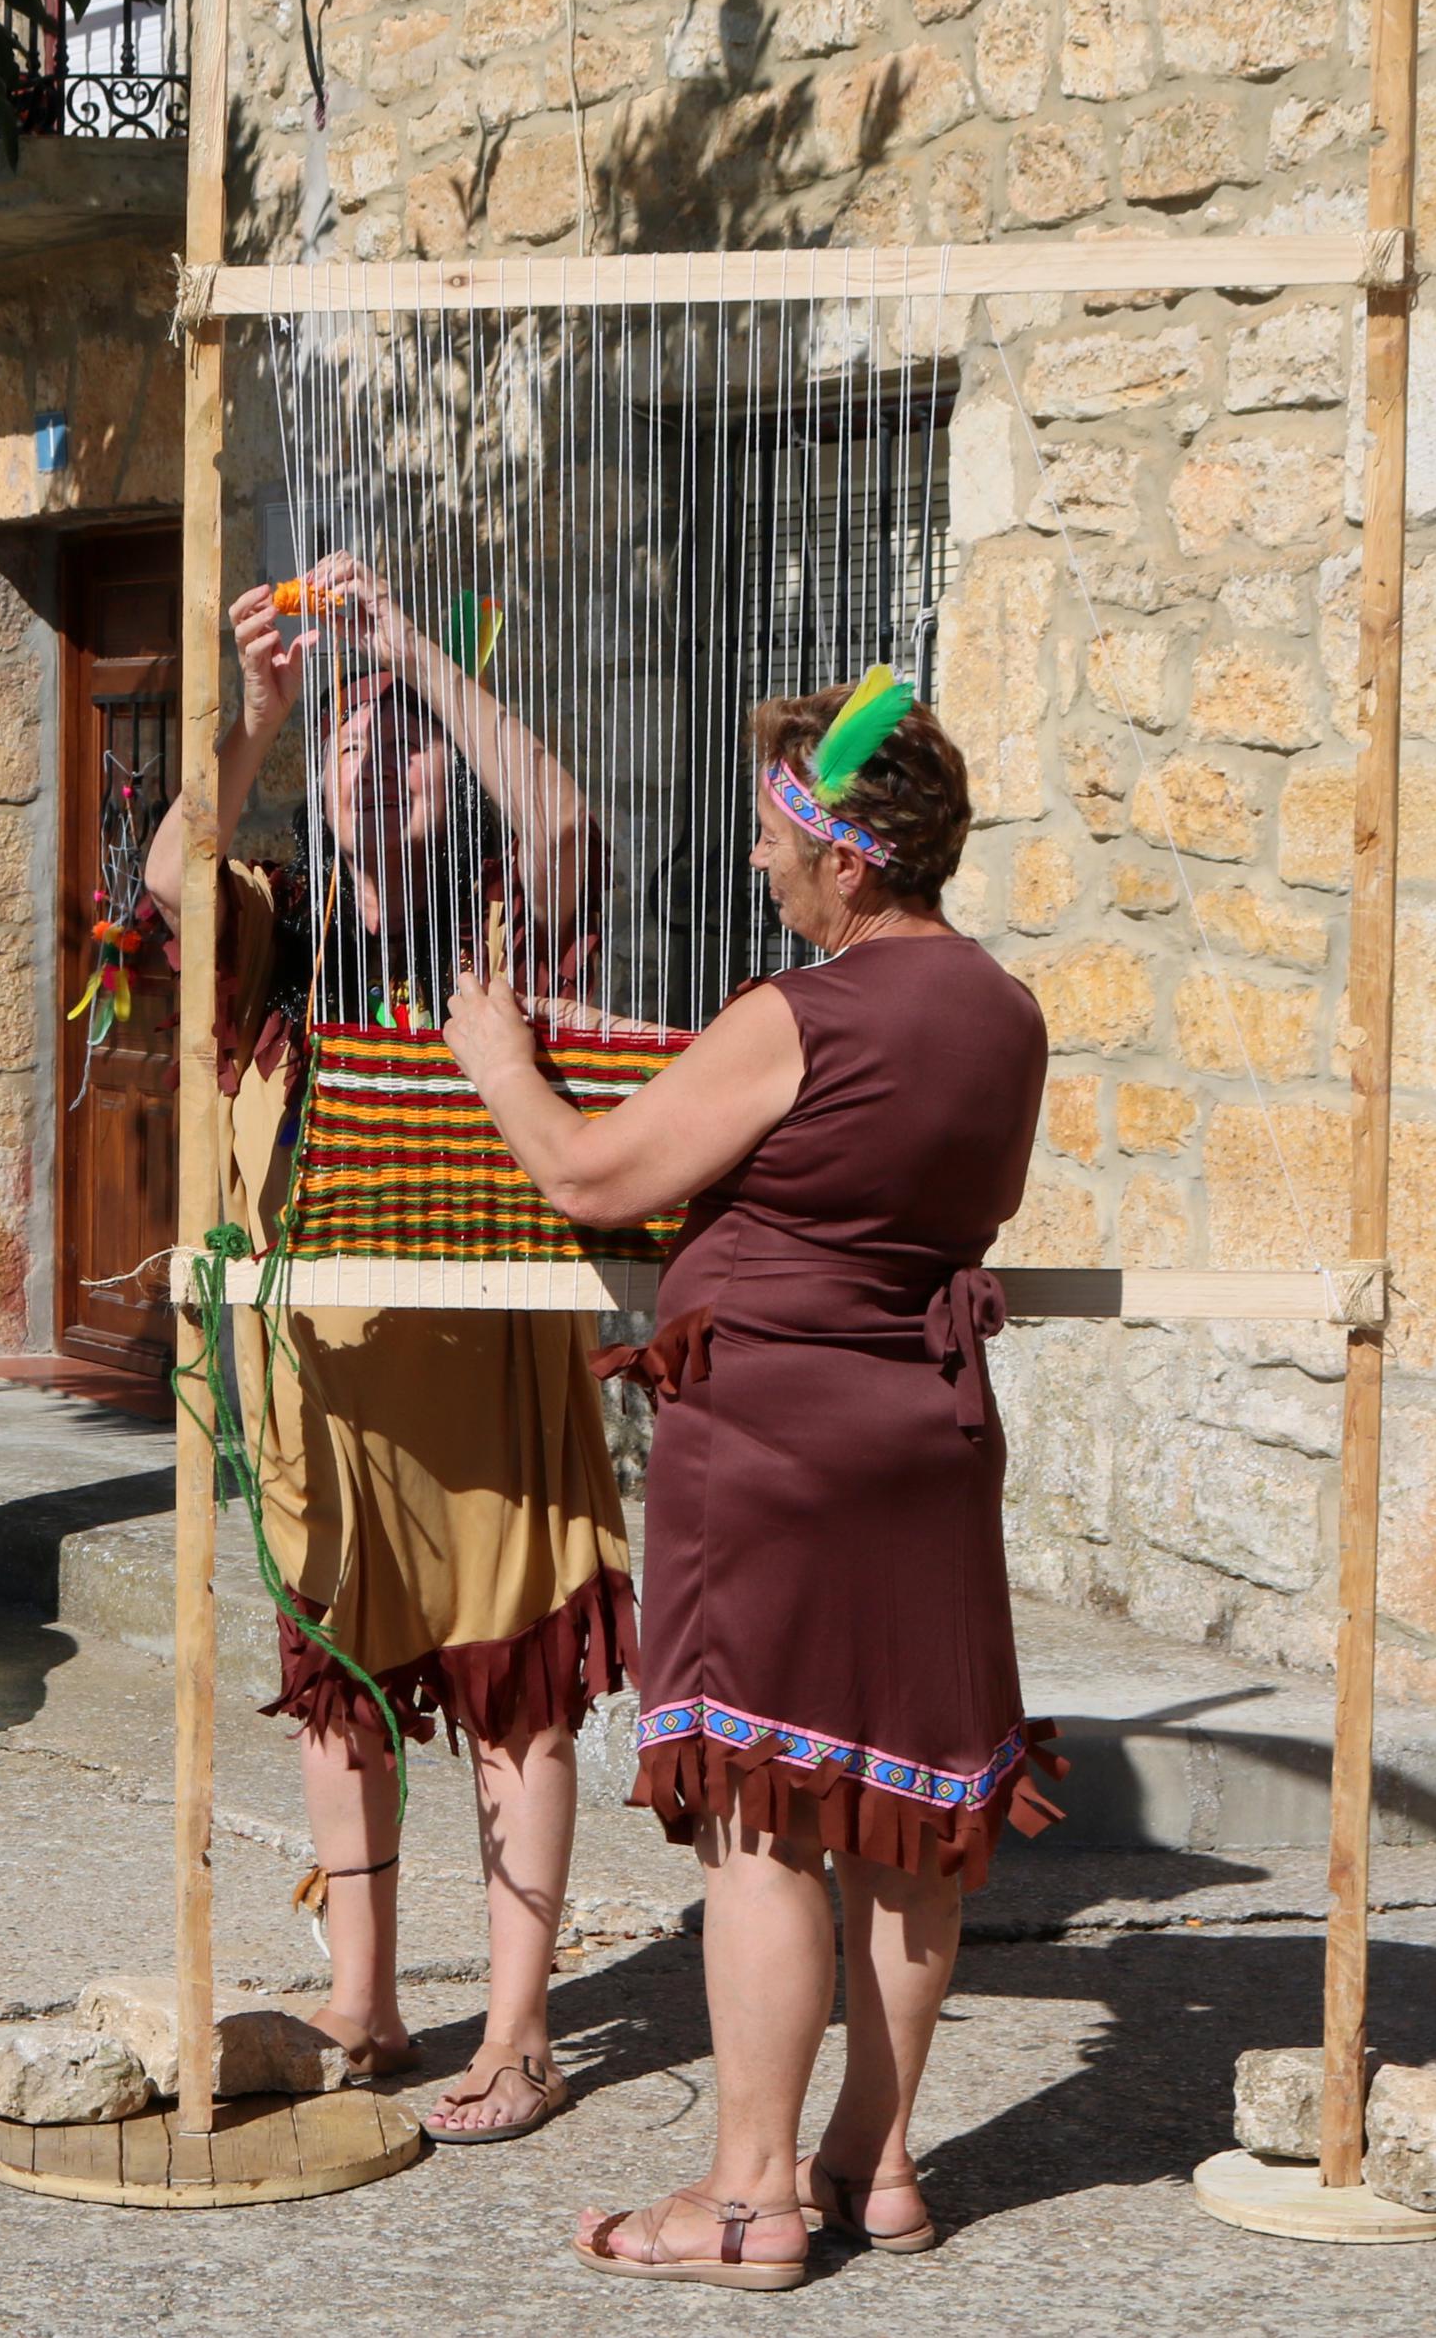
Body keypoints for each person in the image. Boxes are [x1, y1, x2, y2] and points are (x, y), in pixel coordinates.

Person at [440, 671, 1053, 2289]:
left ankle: (744, 2199)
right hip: (925, 1439)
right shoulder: (1002, 1011)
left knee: (768, 1817)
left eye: (777, 842)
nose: (758, 868)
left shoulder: (799, 1014)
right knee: (906, 1810)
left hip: (769, 1449)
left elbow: (588, 1173)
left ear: (848, 860)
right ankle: (874, 2160)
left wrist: (498, 1057)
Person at [138, 549, 630, 2148]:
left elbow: (560, 820)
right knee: (342, 1694)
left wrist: (414, 651)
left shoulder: (510, 927)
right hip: (322, 1388)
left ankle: (516, 2028)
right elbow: (167, 876)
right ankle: (362, 1998)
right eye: (355, 740)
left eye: (402, 735)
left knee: (517, 1698)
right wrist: (264, 711)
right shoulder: (272, 930)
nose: (377, 754)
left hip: (493, 1378)